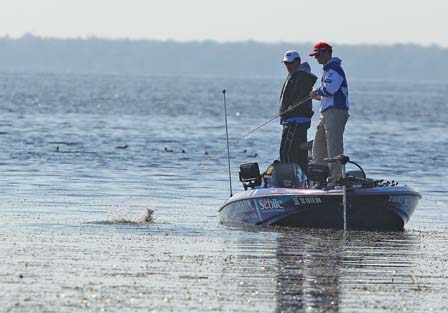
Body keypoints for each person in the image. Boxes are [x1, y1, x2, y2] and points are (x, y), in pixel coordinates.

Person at [309, 42, 349, 186]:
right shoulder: (327, 70)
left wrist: (316, 92)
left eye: (318, 55)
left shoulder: (334, 69)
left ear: (327, 53)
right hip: (326, 113)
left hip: (336, 112)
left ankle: (336, 179)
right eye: (315, 56)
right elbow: (330, 94)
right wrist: (318, 96)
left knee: (334, 146)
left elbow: (330, 89)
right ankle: (319, 178)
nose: (316, 58)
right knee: (318, 146)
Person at [279, 50, 317, 172]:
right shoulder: (296, 74)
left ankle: (289, 178)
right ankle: (302, 177)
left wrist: (290, 108)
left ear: (298, 62)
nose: (287, 66)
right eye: (285, 63)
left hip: (296, 120)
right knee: (297, 152)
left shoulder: (301, 76)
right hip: (292, 120)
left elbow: (301, 97)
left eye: (290, 63)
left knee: (287, 152)